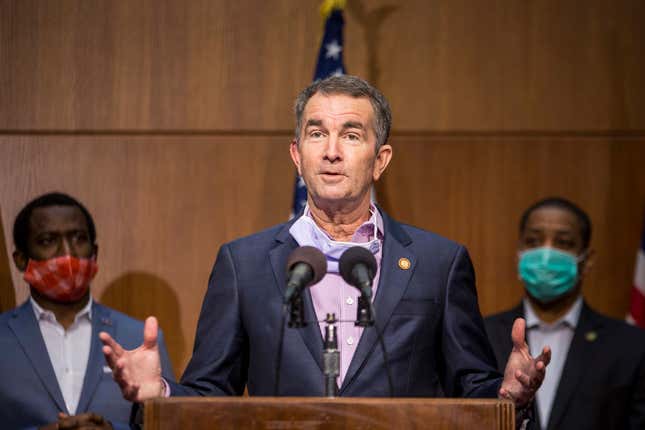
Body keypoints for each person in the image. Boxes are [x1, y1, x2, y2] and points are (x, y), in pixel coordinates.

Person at [101, 75, 549, 414]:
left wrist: (507, 395)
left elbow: (472, 389)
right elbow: (208, 396)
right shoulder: (244, 263)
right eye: (316, 134)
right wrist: (156, 395)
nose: (331, 151)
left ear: (380, 159)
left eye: (351, 135)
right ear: (297, 155)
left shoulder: (439, 262)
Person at [0, 192, 174, 430]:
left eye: (79, 238)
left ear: (95, 252)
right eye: (48, 240)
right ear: (20, 259)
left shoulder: (139, 338)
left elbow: (169, 424)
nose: (67, 254)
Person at [485, 197, 645, 429]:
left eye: (563, 242)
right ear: (519, 253)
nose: (546, 254)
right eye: (533, 241)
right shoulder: (481, 336)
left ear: (587, 260)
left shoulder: (632, 347)